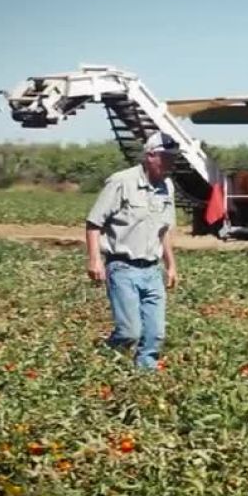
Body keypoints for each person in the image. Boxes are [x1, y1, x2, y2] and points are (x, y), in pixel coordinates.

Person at [85, 131, 180, 369]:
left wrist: (171, 265)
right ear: (150, 156)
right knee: (129, 332)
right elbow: (94, 223)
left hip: (152, 270)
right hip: (122, 267)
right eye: (166, 158)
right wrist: (95, 260)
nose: (171, 163)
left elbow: (164, 230)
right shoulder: (121, 182)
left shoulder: (167, 187)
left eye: (174, 158)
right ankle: (103, 366)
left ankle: (143, 384)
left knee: (155, 335)